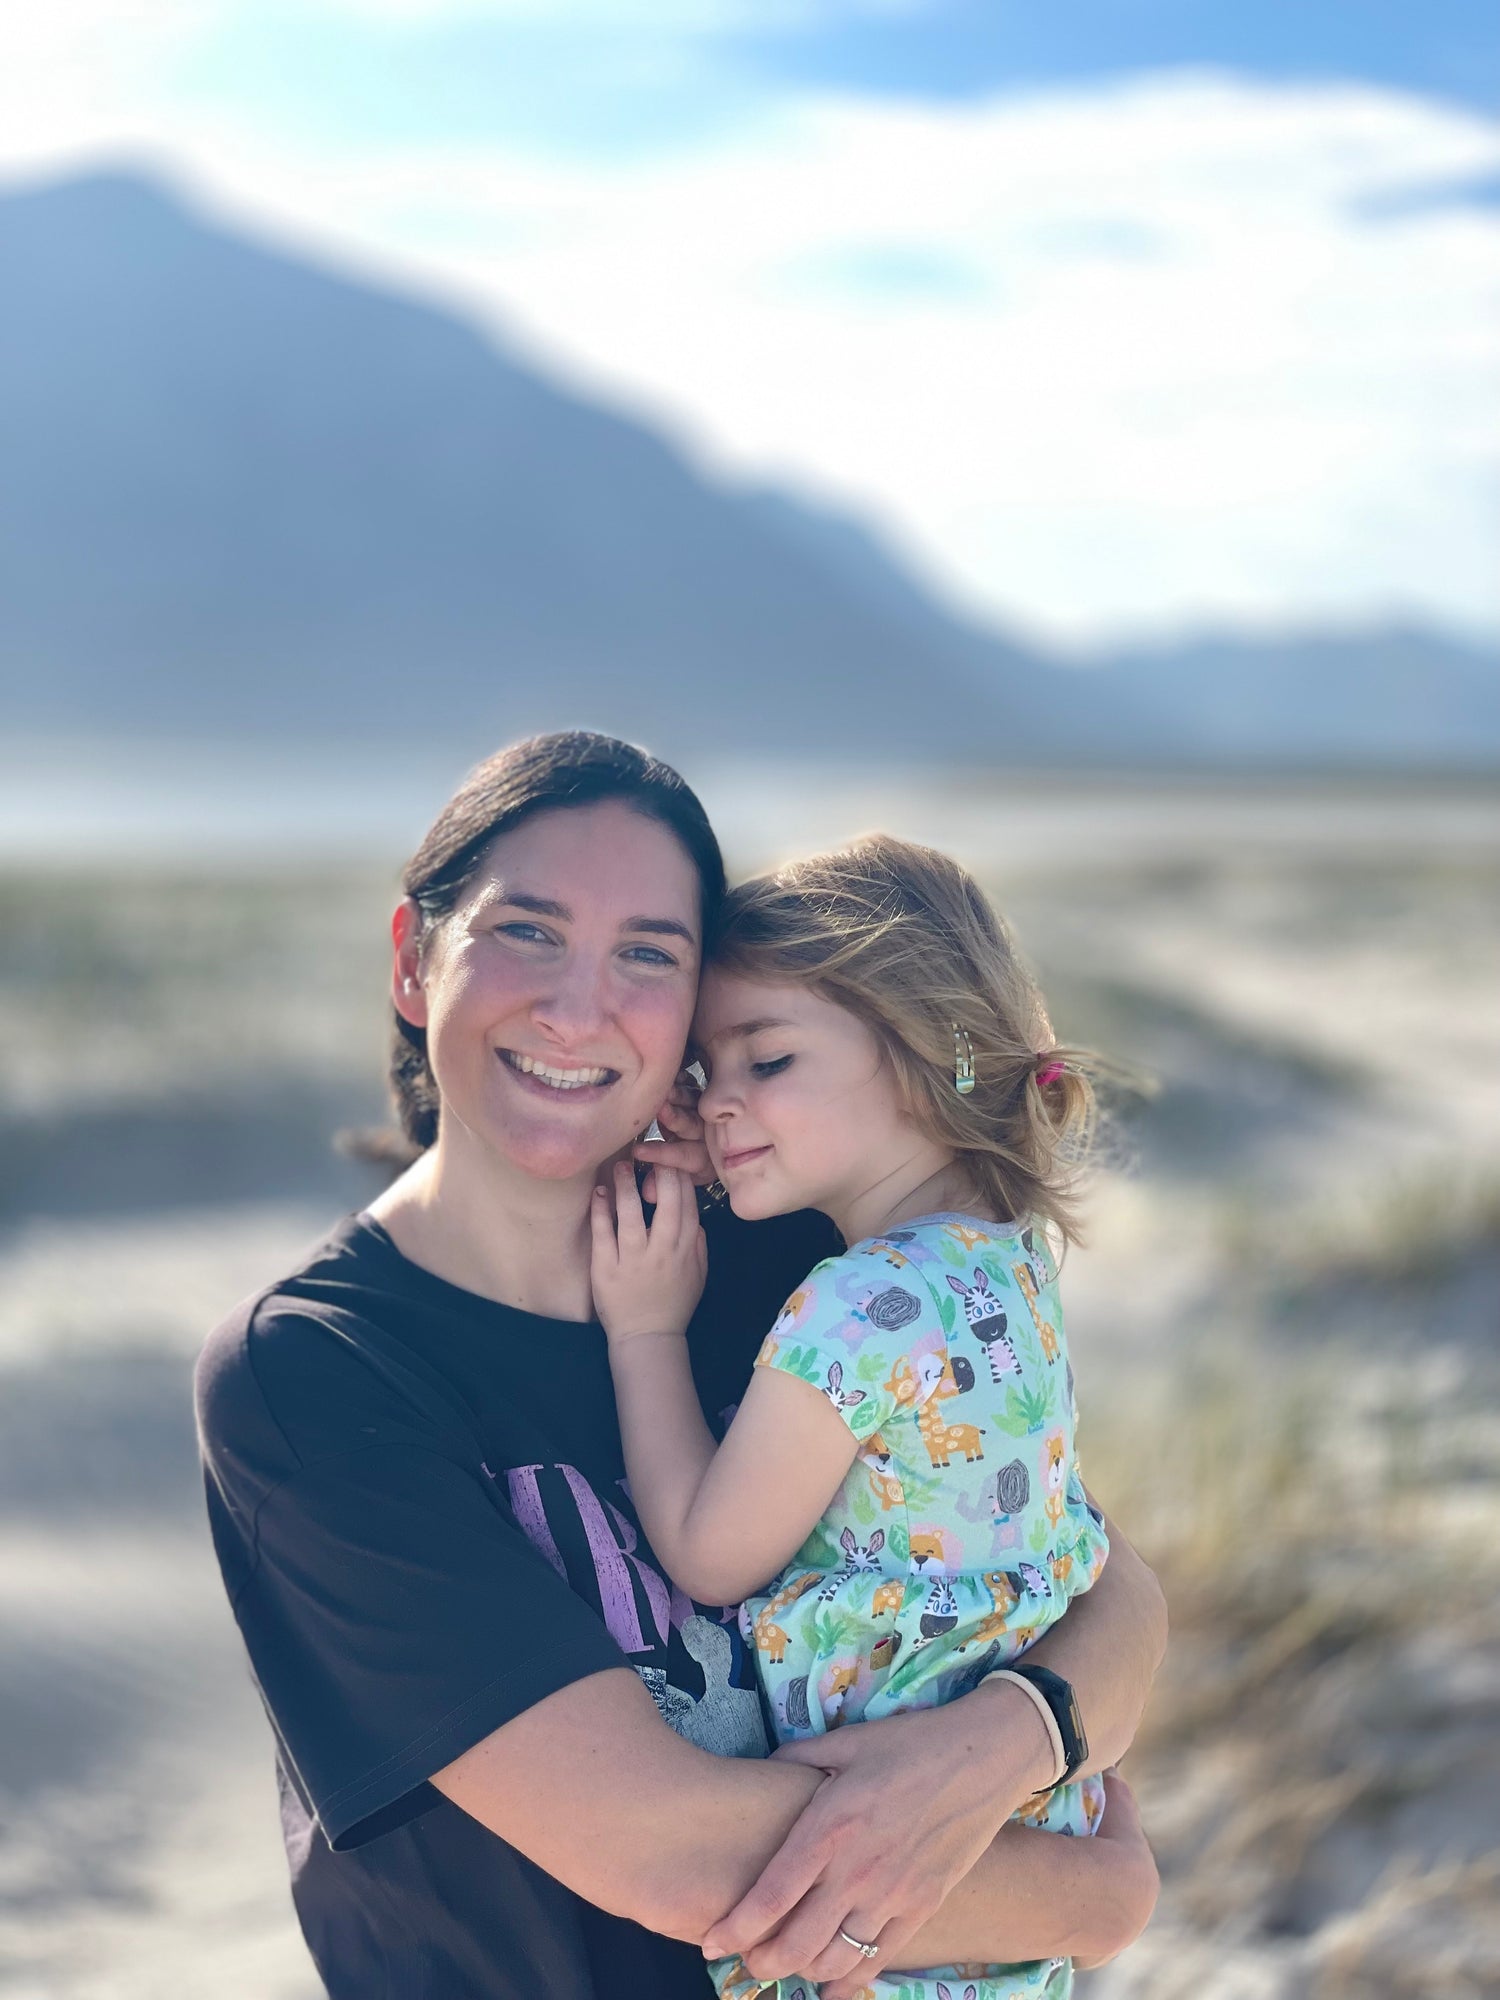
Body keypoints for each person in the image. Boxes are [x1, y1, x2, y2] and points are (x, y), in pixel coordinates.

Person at [194, 732, 1167, 2000]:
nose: (578, 1006)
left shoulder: (790, 1253)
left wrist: (1011, 1734)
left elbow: (1105, 1580)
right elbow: (676, 1853)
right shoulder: (313, 1375)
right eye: (528, 930)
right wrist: (1093, 1895)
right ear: (412, 963)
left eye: (648, 953)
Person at [591, 835, 1120, 2000]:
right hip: (1011, 1857)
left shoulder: (855, 1304)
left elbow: (710, 1551)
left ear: (930, 1051)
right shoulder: (1008, 1258)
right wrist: (743, 1138)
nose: (718, 1099)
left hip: (879, 1879)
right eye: (704, 1070)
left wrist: (644, 1329)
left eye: (768, 1056)